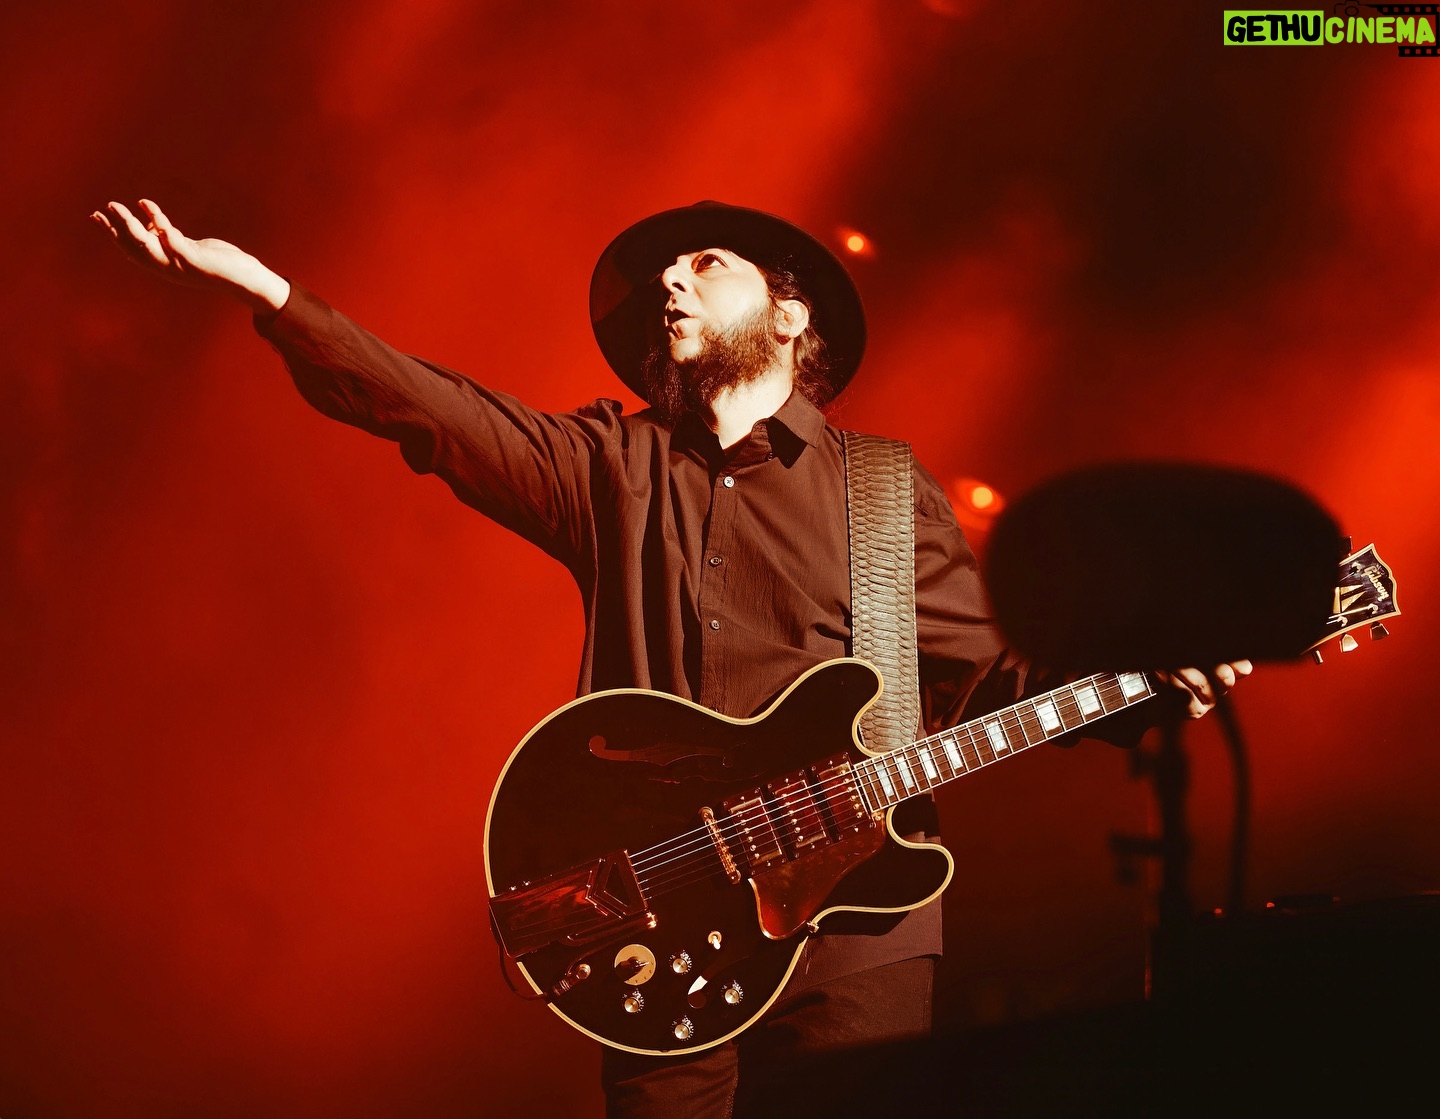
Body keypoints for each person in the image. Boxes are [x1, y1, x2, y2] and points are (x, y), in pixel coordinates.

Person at [92, 197, 1251, 1118]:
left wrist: (1150, 685)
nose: (669, 283)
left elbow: (994, 677)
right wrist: (271, 295)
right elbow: (440, 414)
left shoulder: (883, 490)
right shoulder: (611, 461)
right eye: (666, 276)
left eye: (705, 264)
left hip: (858, 927)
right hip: (659, 905)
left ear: (791, 318)